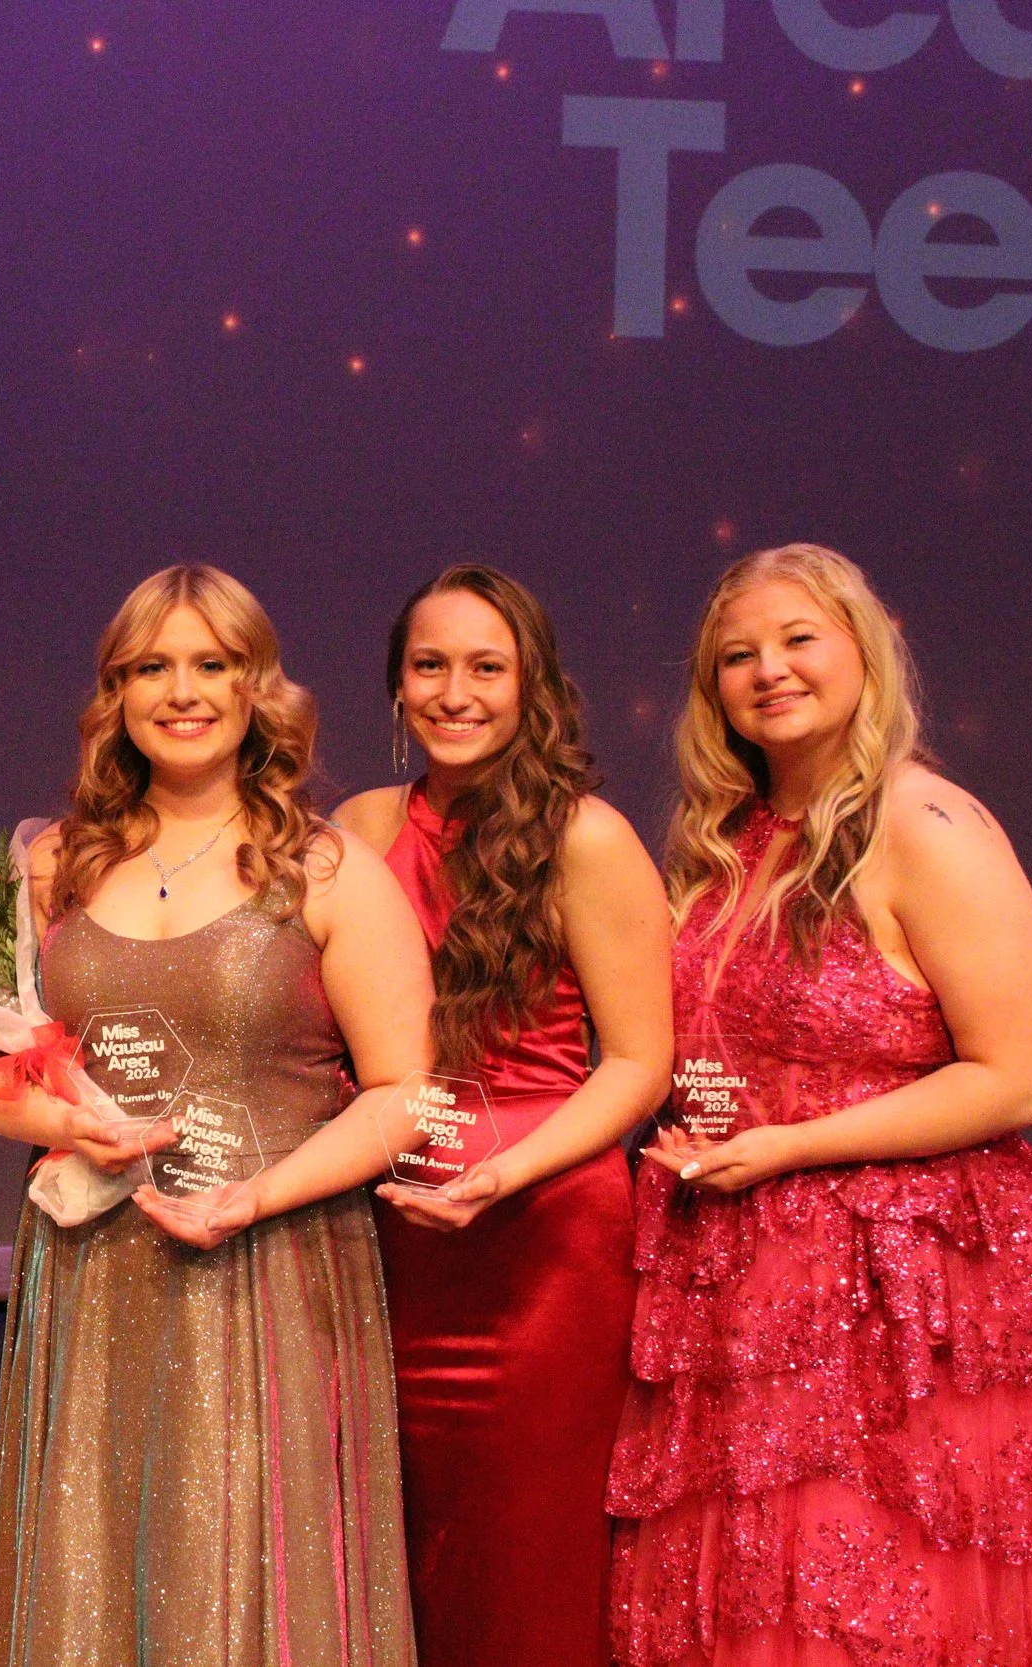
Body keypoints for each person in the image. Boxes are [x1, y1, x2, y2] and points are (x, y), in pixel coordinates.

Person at [611, 543, 1032, 1665]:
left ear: (863, 644)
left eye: (797, 639)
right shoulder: (721, 845)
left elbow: (1021, 1074)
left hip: (902, 1310)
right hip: (738, 1289)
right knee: (765, 1609)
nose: (769, 671)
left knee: (884, 1601)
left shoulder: (924, 823)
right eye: (736, 655)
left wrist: (794, 1144)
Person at [0, 563, 432, 1666]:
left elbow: (407, 1091)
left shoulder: (329, 869)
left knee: (258, 1568)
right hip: (92, 1271)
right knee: (94, 1557)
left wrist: (255, 1193)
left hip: (272, 1270)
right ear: (113, 694)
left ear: (258, 686)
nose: (182, 689)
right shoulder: (45, 868)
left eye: (211, 663)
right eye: (149, 667)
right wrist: (65, 1128)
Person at [335, 564, 669, 1667]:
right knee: (401, 1542)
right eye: (429, 664)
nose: (454, 690)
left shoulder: (589, 837)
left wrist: (502, 1172)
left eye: (486, 665)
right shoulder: (357, 827)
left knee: (531, 1550)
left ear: (533, 686)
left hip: (544, 1249)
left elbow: (636, 1065)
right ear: (395, 686)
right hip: (385, 1243)